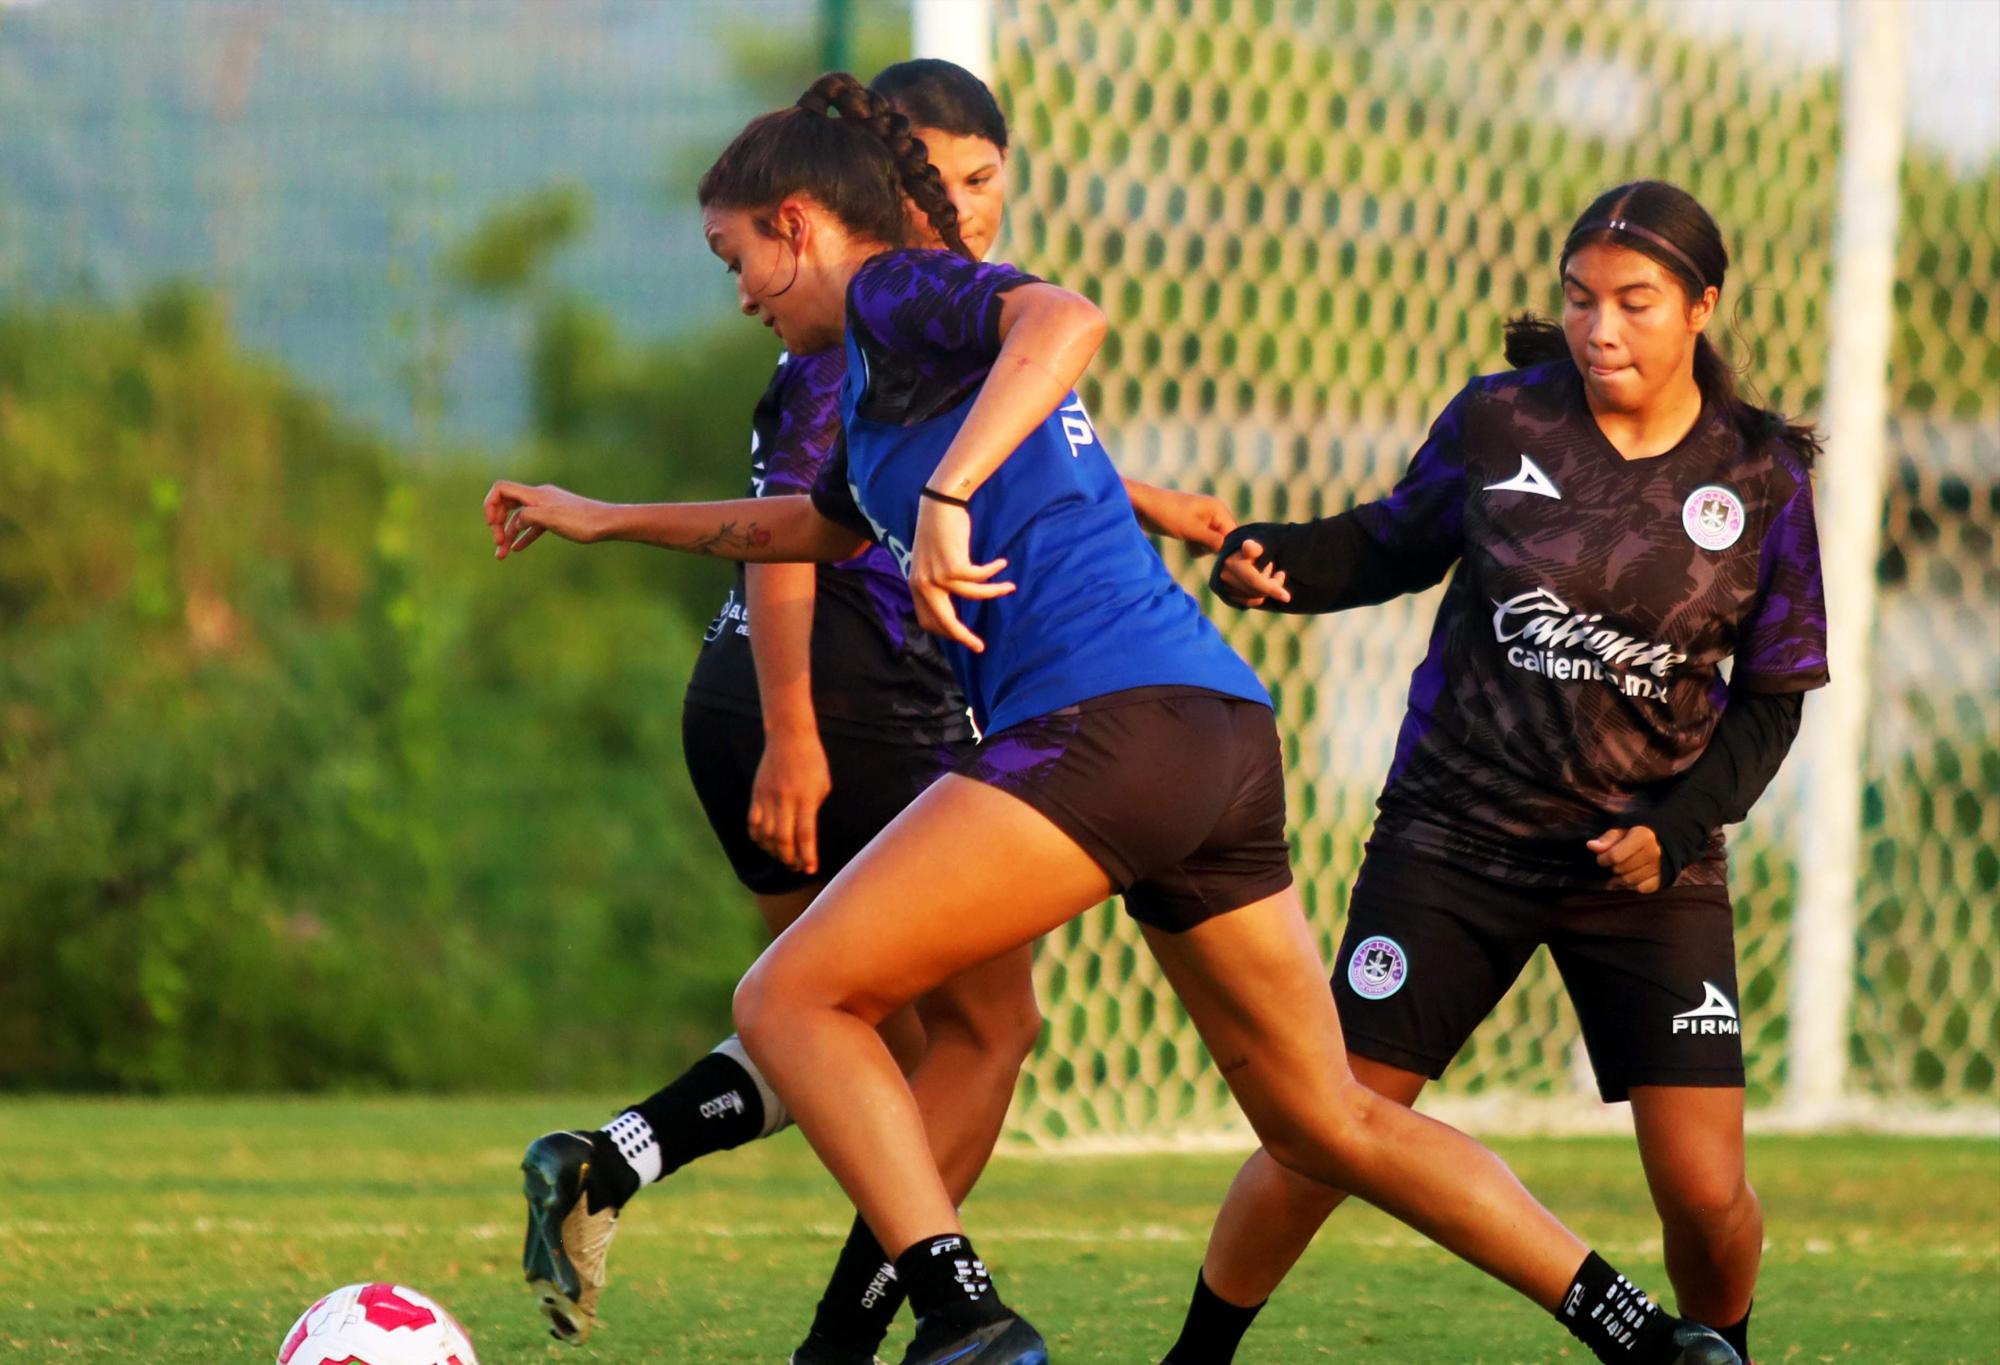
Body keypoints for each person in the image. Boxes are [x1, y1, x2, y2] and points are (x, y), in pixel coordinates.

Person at [487, 77, 1741, 1365]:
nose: (740, 290)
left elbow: (1066, 317)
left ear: (800, 223)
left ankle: (963, 1317)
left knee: (793, 998)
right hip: (1211, 734)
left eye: (737, 256)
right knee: (1324, 1119)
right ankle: (1645, 1336)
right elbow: (806, 528)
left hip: (1103, 726)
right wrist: (606, 517)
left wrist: (952, 496)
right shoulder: (874, 379)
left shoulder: (893, 290)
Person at [514, 60, 1232, 1362]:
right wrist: (794, 729)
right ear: (847, 200)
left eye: (980, 180)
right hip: (849, 703)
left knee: (855, 1024)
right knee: (961, 1029)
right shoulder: (876, 318)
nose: (957, 204)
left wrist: (606, 517)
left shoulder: (895, 335)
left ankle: (619, 1159)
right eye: (930, 178)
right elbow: (807, 537)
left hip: (800, 701)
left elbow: (886, 487)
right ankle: (910, 1328)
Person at [1172, 180, 1825, 1365]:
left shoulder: (1764, 476)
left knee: (1702, 1193)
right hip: (1450, 842)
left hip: (1641, 867)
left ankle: (1717, 1350)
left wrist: (1671, 833)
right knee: (1323, 1130)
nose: (1599, 330)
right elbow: (1386, 540)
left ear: (1701, 308)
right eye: (1579, 301)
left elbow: (1769, 702)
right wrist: (1278, 564)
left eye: (1633, 303)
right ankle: (1195, 1357)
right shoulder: (1497, 421)